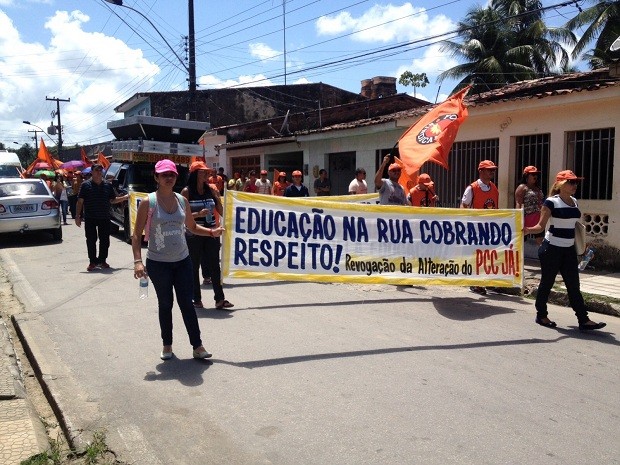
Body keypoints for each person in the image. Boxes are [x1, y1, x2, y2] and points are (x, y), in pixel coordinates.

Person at [132, 160, 224, 360]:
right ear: (156, 177)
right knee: (166, 304)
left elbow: (191, 226)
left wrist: (211, 232)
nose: (168, 177)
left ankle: (197, 346)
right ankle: (167, 345)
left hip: (182, 260)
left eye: (172, 174)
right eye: (164, 174)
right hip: (158, 264)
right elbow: (137, 234)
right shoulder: (149, 202)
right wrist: (138, 261)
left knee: (187, 304)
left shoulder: (182, 201)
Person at [524, 170, 606, 331]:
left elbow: (576, 226)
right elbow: (540, 226)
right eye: (571, 182)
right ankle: (541, 315)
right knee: (546, 283)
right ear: (560, 184)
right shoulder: (551, 202)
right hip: (551, 249)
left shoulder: (574, 201)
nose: (575, 185)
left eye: (576, 182)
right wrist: (527, 229)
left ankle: (583, 319)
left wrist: (584, 244)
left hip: (569, 249)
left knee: (573, 285)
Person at [181, 161, 234, 311]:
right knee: (194, 267)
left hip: (212, 233)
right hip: (194, 234)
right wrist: (198, 214)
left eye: (206, 172)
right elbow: (181, 216)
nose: (206, 174)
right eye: (203, 172)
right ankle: (196, 299)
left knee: (214, 267)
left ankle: (220, 299)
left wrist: (217, 198)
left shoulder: (211, 189)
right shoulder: (186, 192)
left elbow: (222, 212)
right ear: (195, 174)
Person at [75, 164, 128, 271]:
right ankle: (92, 261)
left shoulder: (107, 185)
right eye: (97, 170)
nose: (99, 172)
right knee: (91, 240)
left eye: (101, 170)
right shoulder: (85, 185)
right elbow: (80, 202)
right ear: (92, 172)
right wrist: (77, 216)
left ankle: (102, 260)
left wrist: (125, 198)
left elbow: (112, 200)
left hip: (104, 217)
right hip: (90, 218)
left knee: (104, 241)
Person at [461, 160, 499, 294]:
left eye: (493, 170)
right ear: (481, 171)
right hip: (475, 230)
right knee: (476, 257)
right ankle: (476, 283)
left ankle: (486, 280)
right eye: (489, 170)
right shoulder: (472, 188)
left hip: (489, 229)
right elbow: (463, 206)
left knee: (487, 256)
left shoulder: (494, 188)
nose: (492, 172)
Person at [515, 165, 544, 246]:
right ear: (526, 176)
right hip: (526, 218)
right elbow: (518, 203)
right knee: (521, 241)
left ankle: (543, 258)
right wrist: (518, 218)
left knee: (541, 240)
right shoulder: (522, 187)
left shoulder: (537, 188)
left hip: (538, 218)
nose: (535, 176)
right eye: (533, 174)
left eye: (536, 174)